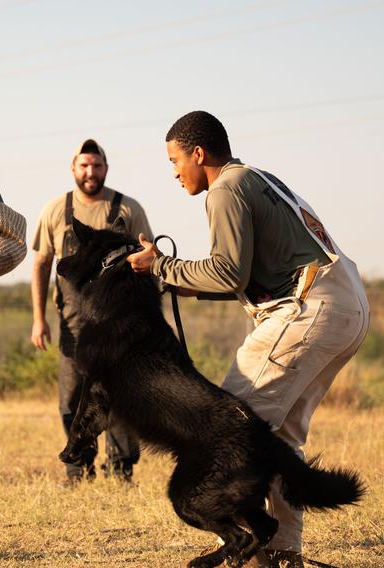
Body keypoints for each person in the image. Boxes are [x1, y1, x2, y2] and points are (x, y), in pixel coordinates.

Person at [127, 111, 369, 568]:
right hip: (342, 302)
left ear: (198, 154)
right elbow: (246, 276)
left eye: (175, 160)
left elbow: (228, 271)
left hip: (309, 307)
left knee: (227, 428)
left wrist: (159, 266)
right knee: (276, 434)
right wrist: (181, 281)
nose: (175, 173)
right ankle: (280, 551)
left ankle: (240, 540)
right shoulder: (255, 177)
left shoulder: (224, 189)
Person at [30, 139, 153, 484]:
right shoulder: (56, 210)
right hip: (73, 324)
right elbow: (40, 265)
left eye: (97, 166)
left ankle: (120, 469)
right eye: (84, 166)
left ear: (106, 169)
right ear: (73, 168)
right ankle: (78, 469)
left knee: (120, 395)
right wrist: (39, 319)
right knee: (72, 398)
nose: (90, 172)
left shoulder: (127, 209)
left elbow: (149, 258)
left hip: (120, 325)